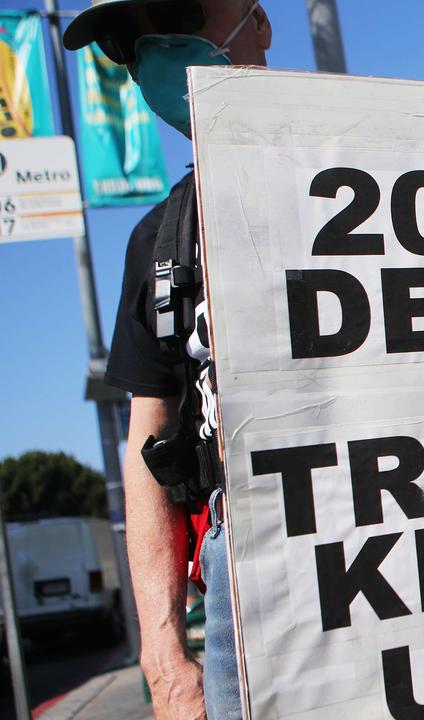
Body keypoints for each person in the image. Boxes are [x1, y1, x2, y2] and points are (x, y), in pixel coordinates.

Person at [62, 1, 272, 717]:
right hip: (245, 609)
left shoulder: (404, 175)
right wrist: (162, 655)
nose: (158, 44)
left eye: (179, 9)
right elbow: (147, 442)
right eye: (129, 39)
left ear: (260, 23)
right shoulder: (159, 241)